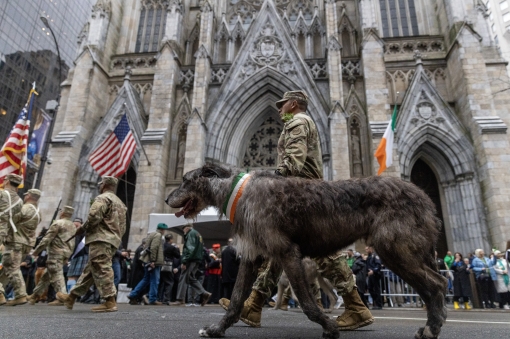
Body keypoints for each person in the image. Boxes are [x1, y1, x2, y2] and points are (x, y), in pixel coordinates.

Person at [220, 91, 374, 330]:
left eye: (282, 105)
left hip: (303, 197)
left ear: (293, 104)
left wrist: (273, 183)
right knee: (279, 250)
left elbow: (294, 159)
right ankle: (253, 304)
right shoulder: (298, 122)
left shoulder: (298, 121)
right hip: (301, 195)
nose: (279, 109)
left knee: (325, 252)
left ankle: (356, 306)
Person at [56, 176, 127, 312]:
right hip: (113, 240)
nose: (99, 186)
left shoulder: (102, 198)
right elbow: (122, 227)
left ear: (104, 184)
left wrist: (82, 229)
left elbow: (94, 216)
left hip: (101, 238)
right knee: (91, 269)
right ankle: (71, 297)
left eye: (101, 184)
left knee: (102, 267)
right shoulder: (121, 204)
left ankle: (109, 300)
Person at [29, 206, 76, 306]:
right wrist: (68, 255)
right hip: (65, 253)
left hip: (56, 253)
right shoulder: (72, 226)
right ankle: (34, 296)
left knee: (57, 274)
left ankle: (63, 297)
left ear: (62, 213)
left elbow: (47, 239)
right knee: (46, 276)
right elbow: (73, 242)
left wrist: (36, 251)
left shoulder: (58, 223)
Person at [171, 223, 211, 306]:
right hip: (196, 259)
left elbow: (190, 248)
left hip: (190, 259)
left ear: (187, 228)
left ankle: (180, 299)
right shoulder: (197, 234)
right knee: (190, 278)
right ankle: (204, 293)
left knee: (183, 277)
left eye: (183, 229)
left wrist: (184, 261)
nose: (183, 232)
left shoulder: (191, 234)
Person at [128, 223, 167, 305]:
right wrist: (153, 261)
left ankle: (133, 294)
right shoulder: (158, 235)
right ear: (162, 230)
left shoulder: (151, 234)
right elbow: (154, 248)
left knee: (146, 279)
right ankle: (152, 299)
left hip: (147, 260)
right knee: (155, 280)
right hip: (154, 262)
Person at [0, 174, 23, 305]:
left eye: (4, 179)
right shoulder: (20, 202)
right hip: (4, 232)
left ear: (8, 181)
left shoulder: (2, 194)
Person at [67, 218, 88, 292]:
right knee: (72, 276)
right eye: (75, 223)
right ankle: (70, 294)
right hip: (77, 255)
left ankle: (72, 294)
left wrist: (68, 257)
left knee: (75, 276)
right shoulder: (73, 232)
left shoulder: (80, 232)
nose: (76, 224)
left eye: (77, 223)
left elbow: (75, 245)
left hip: (81, 255)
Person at [158, 233, 180, 304]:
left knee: (160, 282)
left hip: (161, 264)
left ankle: (158, 298)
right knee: (170, 282)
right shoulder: (172, 247)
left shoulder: (161, 246)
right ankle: (166, 299)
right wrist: (177, 249)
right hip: (169, 265)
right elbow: (177, 256)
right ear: (170, 239)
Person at [366, 246, 382, 310]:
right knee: (370, 288)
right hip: (370, 274)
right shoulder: (369, 256)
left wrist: (373, 271)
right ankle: (375, 301)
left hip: (375, 274)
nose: (366, 251)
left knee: (376, 289)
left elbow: (378, 265)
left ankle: (379, 304)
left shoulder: (375, 255)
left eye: (367, 249)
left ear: (370, 249)